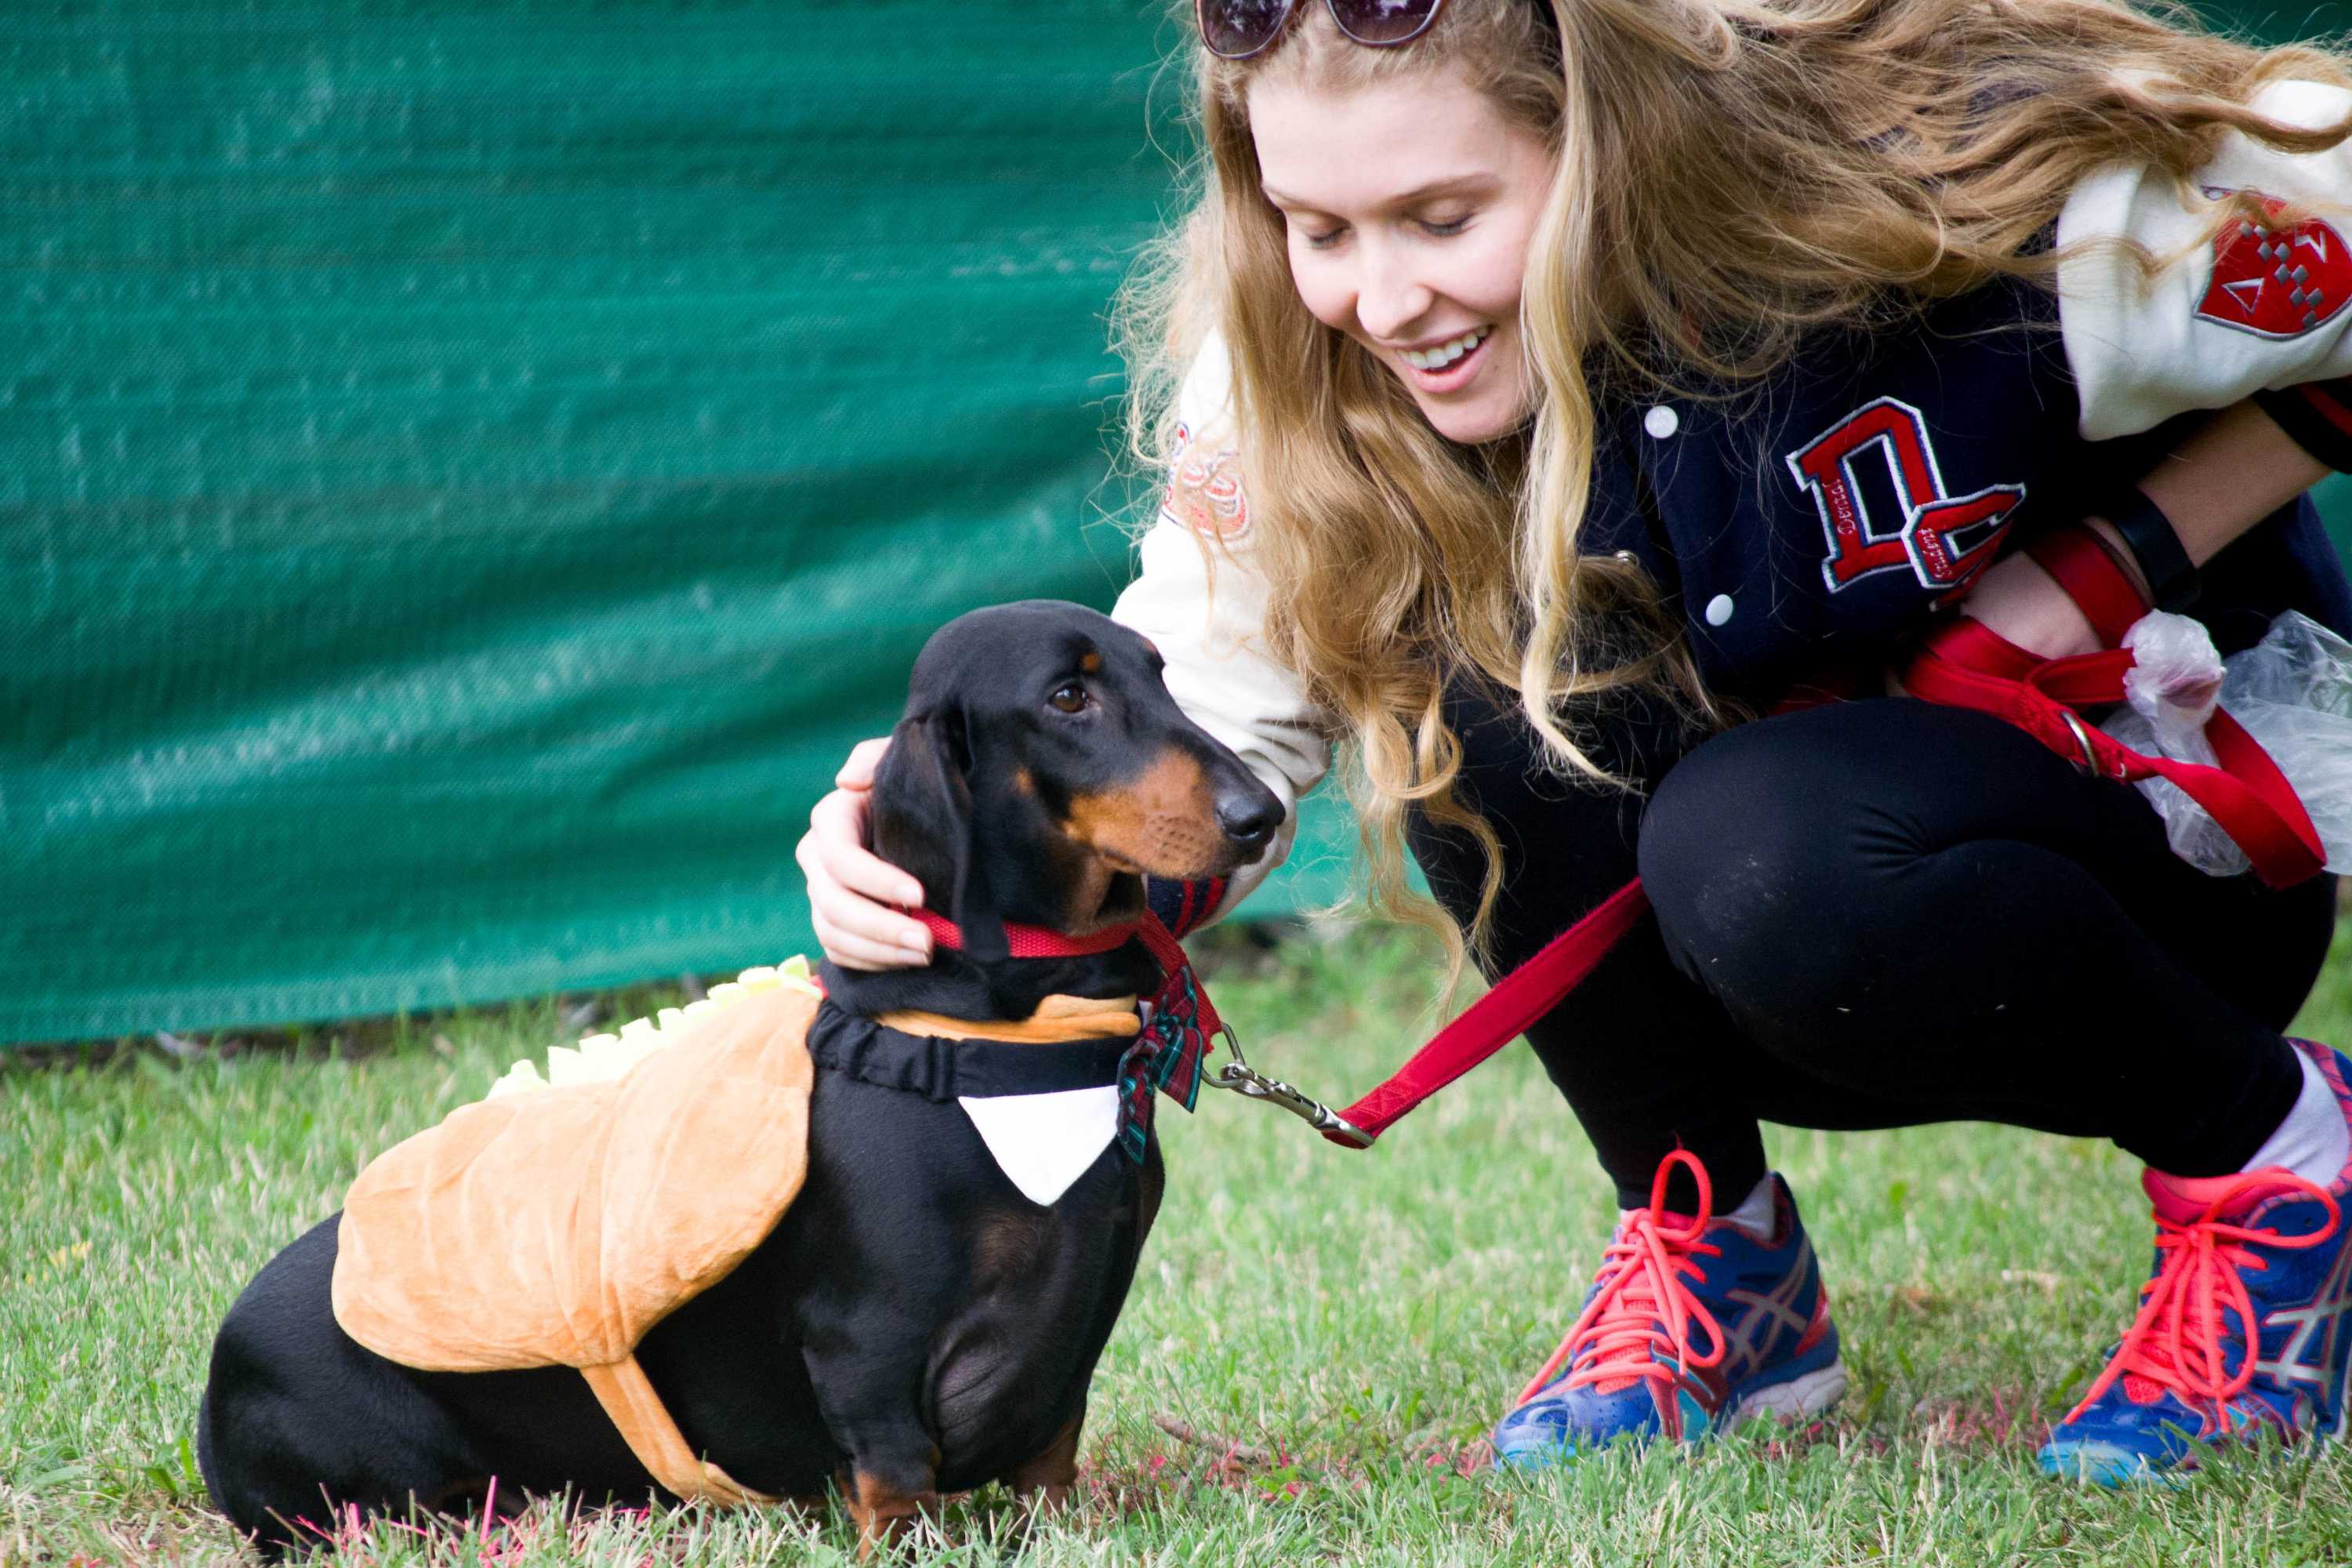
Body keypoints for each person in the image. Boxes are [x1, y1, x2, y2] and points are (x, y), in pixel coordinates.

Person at [797, 0, 2352, 1483]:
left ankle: (2278, 1164)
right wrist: (914, 848)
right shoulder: (1302, 353)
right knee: (1475, 704)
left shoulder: (1960, 187)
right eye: (1319, 228)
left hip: (2151, 861)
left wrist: (2114, 562)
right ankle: (1715, 1250)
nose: (1383, 297)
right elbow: (1195, 731)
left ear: (1607, 133)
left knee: (1762, 848)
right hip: (1783, 928)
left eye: (1443, 215)